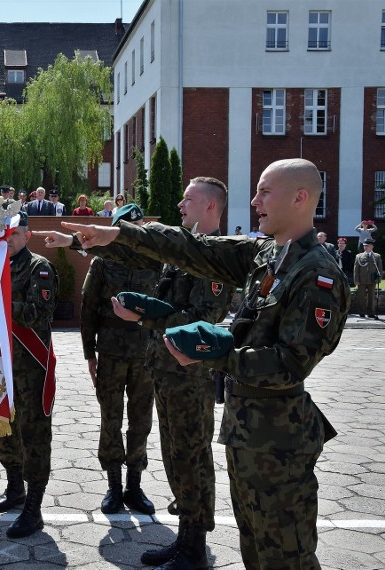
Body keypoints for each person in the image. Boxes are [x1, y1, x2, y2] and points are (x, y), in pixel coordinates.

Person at [37, 158, 349, 569]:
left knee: (286, 555)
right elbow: (190, 247)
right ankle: (188, 541)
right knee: (256, 547)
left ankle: (193, 544)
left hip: (280, 441)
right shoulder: (266, 253)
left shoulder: (318, 274)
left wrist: (218, 353)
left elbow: (289, 364)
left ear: (300, 197)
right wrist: (113, 233)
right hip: (246, 431)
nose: (255, 201)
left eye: (264, 192)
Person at [115, 178, 235, 569]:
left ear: (211, 208)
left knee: (191, 456)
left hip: (190, 377)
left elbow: (203, 322)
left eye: (188, 200)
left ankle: (195, 548)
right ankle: (184, 538)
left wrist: (150, 313)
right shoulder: (183, 253)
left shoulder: (215, 260)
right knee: (173, 455)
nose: (181, 205)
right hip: (166, 372)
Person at [80, 204, 159, 517]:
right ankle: (113, 486)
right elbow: (87, 308)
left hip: (145, 352)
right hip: (111, 352)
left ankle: (134, 485)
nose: (134, 232)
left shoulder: (155, 260)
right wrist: (89, 353)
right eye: (129, 226)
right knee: (110, 418)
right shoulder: (102, 262)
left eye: (138, 226)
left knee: (141, 420)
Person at [0, 211, 58, 539]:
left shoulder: (39, 267)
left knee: (34, 434)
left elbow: (37, 314)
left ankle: (34, 507)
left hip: (31, 366)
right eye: (6, 232)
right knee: (7, 427)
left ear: (27, 236)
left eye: (16, 233)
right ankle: (14, 486)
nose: (10, 238)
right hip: (4, 365)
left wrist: (1, 303)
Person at [354, 238, 382, 318]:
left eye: (367, 246)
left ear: (371, 246)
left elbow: (379, 268)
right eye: (364, 246)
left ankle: (371, 312)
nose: (365, 247)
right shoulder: (359, 256)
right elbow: (356, 269)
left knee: (371, 297)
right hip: (361, 280)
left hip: (372, 279)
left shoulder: (376, 256)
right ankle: (361, 312)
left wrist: (379, 279)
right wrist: (356, 280)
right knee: (361, 297)